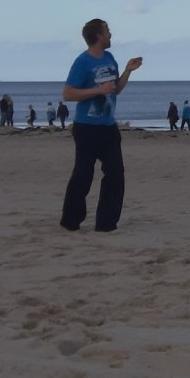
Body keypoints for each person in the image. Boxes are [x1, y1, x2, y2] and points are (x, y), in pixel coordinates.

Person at [60, 18, 142, 233]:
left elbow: (115, 90)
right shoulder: (83, 62)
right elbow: (68, 94)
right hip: (86, 127)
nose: (111, 34)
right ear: (98, 35)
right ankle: (70, 222)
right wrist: (97, 91)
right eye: (107, 31)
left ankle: (106, 224)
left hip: (108, 127)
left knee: (116, 175)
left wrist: (127, 71)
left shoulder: (109, 58)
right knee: (83, 175)